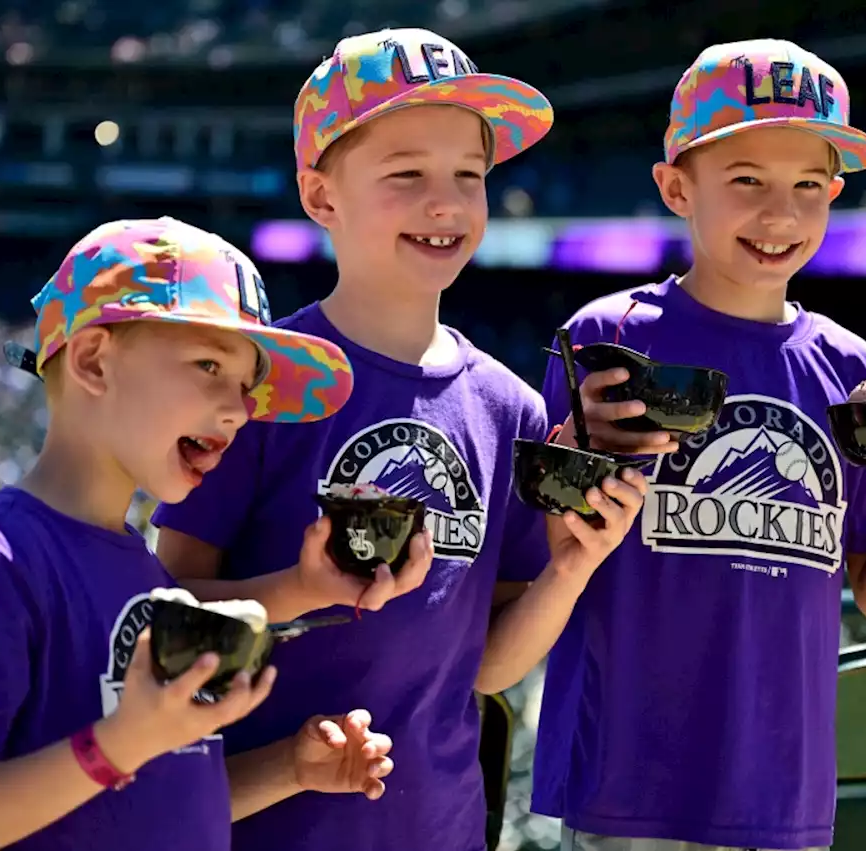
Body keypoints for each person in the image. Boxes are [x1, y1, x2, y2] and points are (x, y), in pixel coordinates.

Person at [152, 28, 648, 851]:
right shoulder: (258, 388)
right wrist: (301, 588)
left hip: (438, 826)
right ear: (320, 196)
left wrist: (573, 563)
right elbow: (170, 612)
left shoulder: (512, 410)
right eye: (407, 175)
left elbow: (489, 669)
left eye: (468, 175)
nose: (446, 203)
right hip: (258, 822)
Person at [531, 39, 866, 851]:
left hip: (781, 790)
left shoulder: (853, 369)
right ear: (674, 187)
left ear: (835, 194)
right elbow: (547, 547)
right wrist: (574, 449)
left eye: (808, 186)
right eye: (747, 182)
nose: (781, 216)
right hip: (626, 778)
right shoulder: (605, 337)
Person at [0, 217, 395, 851]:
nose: (241, 408)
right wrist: (119, 743)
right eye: (210, 364)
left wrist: (289, 770)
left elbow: (147, 796)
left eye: (247, 387)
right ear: (92, 363)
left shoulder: (139, 566)